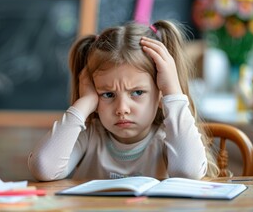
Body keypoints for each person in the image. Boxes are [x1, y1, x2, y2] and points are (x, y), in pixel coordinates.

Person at [28, 20, 219, 181]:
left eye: (137, 92)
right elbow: (44, 168)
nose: (122, 109)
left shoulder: (168, 138)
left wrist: (173, 92)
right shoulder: (90, 136)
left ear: (161, 92)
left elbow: (188, 173)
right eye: (108, 94)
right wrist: (84, 102)